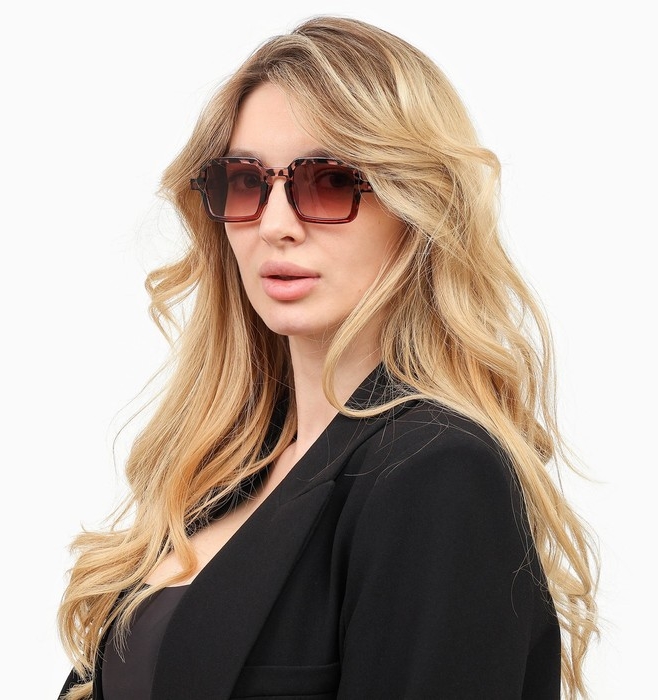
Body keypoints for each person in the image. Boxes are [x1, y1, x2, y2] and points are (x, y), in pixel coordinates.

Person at [57, 15, 599, 700]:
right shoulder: (221, 471)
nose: (276, 224)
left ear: (415, 206)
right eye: (245, 181)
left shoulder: (437, 473)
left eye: (328, 181)